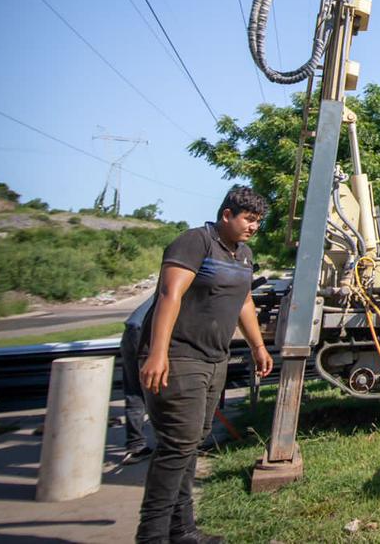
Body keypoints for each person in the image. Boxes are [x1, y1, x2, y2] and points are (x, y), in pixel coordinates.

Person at [136, 186, 274, 544]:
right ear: (226, 214)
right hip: (180, 357)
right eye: (248, 219)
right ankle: (151, 536)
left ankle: (182, 531)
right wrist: (157, 353)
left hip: (215, 359)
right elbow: (170, 295)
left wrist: (259, 346)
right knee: (176, 446)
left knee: (191, 444)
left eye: (258, 221)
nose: (253, 227)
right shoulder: (195, 242)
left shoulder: (243, 254)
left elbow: (244, 301)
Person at [119, 298, 153, 464]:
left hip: (130, 334)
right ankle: (174, 443)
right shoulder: (184, 291)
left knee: (134, 391)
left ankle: (136, 446)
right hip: (146, 334)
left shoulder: (164, 288)